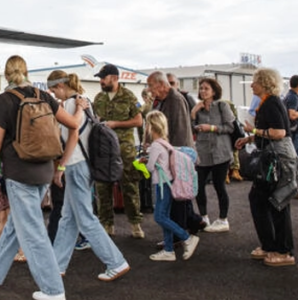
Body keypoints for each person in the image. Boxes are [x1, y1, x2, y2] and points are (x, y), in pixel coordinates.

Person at [0, 55, 83, 300]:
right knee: (17, 225)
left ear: (6, 75)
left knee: (32, 232)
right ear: (26, 72)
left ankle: (53, 289)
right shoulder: (45, 96)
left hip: (19, 174)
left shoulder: (5, 100)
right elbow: (73, 124)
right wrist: (80, 108)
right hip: (43, 172)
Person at [47, 71, 130, 282]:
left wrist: (61, 166)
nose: (54, 95)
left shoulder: (69, 105)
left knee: (85, 219)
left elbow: (72, 136)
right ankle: (56, 265)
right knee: (68, 218)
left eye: (54, 90)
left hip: (75, 165)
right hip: (86, 164)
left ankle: (116, 262)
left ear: (61, 86)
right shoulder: (84, 102)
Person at [235, 67, 298, 267]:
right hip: (273, 156)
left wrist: (252, 131)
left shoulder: (271, 103)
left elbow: (279, 132)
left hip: (279, 159)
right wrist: (250, 138)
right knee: (261, 199)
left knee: (278, 202)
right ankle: (270, 245)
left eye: (255, 81)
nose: (252, 85)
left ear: (264, 83)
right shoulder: (269, 102)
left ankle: (284, 250)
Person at [146, 71, 202, 257]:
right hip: (173, 156)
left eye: (151, 86)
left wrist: (167, 156)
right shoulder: (165, 100)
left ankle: (181, 236)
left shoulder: (175, 100)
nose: (149, 90)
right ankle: (184, 230)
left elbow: (179, 132)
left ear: (162, 85)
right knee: (177, 201)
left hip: (176, 158)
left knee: (177, 201)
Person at [92, 63, 145, 239]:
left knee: (129, 186)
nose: (101, 81)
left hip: (124, 148)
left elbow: (138, 121)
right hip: (104, 149)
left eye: (103, 78)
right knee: (102, 187)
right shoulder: (99, 98)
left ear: (114, 78)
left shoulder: (128, 96)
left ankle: (135, 223)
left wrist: (116, 124)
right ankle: (106, 224)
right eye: (100, 78)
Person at [143, 110, 193, 261]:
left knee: (159, 216)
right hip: (169, 182)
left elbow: (150, 167)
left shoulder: (156, 145)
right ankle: (168, 250)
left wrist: (145, 161)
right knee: (165, 215)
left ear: (151, 127)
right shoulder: (164, 143)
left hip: (162, 184)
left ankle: (186, 237)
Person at [190, 77, 235, 232]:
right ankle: (204, 217)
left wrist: (212, 128)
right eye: (201, 88)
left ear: (214, 91)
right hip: (203, 152)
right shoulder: (198, 108)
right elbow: (191, 129)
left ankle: (223, 219)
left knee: (219, 185)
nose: (203, 91)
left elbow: (230, 127)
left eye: (206, 88)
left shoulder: (222, 106)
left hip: (221, 152)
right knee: (198, 185)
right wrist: (193, 113)